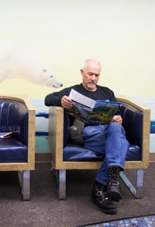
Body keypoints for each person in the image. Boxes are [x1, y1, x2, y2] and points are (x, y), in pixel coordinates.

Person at [44, 59, 129, 215]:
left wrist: (118, 118)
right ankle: (110, 181)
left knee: (116, 128)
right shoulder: (72, 91)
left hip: (108, 130)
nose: (93, 79)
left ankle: (101, 186)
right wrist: (61, 101)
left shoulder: (107, 92)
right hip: (87, 132)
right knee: (121, 143)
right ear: (82, 72)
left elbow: (116, 115)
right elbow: (47, 99)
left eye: (97, 75)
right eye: (90, 74)